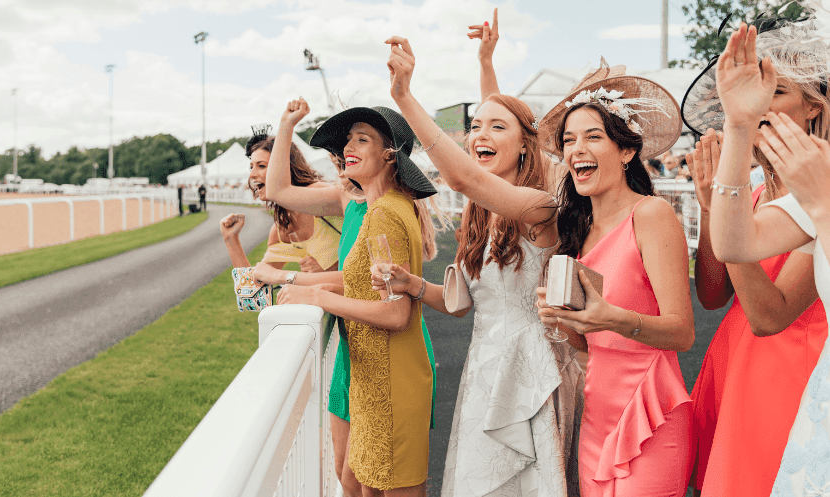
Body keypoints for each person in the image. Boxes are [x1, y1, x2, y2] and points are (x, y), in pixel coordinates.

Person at [382, 28, 584, 497]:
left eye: (496, 128)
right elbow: (459, 305)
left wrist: (405, 97)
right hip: (484, 370)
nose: (480, 136)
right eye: (474, 127)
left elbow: (463, 176)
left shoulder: (539, 208)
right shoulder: (479, 216)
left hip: (533, 370)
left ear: (525, 146)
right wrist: (412, 283)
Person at [681, 11, 829, 497]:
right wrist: (712, 207)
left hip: (790, 373)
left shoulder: (818, 189)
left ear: (815, 106)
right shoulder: (762, 192)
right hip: (736, 360)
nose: (762, 103)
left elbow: (770, 314)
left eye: (777, 92)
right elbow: (712, 292)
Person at [260, 100, 438, 497]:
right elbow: (366, 285)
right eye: (347, 141)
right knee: (364, 484)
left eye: (362, 139)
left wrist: (319, 297)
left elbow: (396, 315)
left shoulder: (385, 213)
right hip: (375, 372)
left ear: (390, 156)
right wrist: (318, 288)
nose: (347, 149)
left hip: (392, 374)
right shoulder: (382, 207)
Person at [534, 60, 695, 497]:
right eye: (569, 140)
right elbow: (589, 346)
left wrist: (609, 317)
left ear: (626, 151)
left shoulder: (651, 213)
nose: (576, 149)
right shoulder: (578, 232)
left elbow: (682, 333)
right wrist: (564, 321)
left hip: (652, 413)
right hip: (597, 413)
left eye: (592, 136)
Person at [220, 126, 341, 274]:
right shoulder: (283, 226)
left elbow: (372, 239)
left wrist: (336, 265)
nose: (252, 174)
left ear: (285, 168)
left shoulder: (320, 193)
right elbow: (255, 285)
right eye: (251, 167)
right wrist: (231, 239)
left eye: (262, 166)